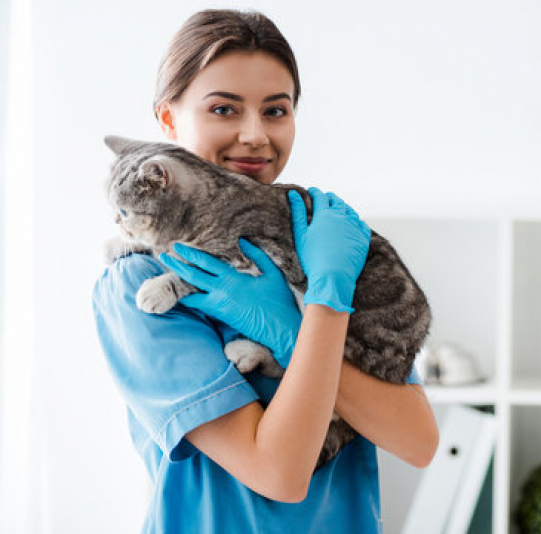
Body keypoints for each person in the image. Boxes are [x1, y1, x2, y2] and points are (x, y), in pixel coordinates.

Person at [92, 9, 438, 533]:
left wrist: (311, 313)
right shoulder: (135, 285)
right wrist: (320, 314)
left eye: (276, 111)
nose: (254, 135)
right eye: (224, 108)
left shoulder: (322, 240)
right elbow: (280, 475)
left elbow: (418, 442)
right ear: (168, 121)